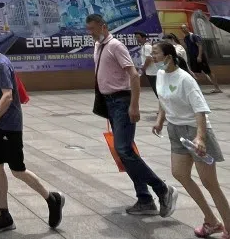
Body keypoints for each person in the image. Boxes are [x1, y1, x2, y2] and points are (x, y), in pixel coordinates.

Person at [86, 14, 177, 217]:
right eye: (88, 29)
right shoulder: (98, 46)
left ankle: (162, 189)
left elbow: (134, 75)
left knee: (124, 150)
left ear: (104, 26)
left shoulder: (116, 46)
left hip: (122, 102)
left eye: (93, 29)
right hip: (109, 102)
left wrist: (134, 105)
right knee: (125, 151)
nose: (90, 33)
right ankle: (145, 199)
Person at [0, 30, 64, 234]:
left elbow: (7, 96)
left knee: (17, 170)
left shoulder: (1, 63)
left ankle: (51, 198)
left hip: (8, 126)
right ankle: (5, 215)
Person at [151, 42, 230, 238]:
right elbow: (163, 98)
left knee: (209, 182)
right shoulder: (161, 75)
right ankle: (211, 221)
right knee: (179, 173)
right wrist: (160, 120)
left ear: (168, 56)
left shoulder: (185, 79)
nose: (152, 57)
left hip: (195, 130)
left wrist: (200, 138)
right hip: (175, 130)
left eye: (155, 53)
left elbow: (200, 109)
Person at [182, 23, 222, 94]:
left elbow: (200, 46)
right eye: (182, 28)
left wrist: (199, 56)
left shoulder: (194, 36)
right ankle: (197, 89)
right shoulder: (185, 38)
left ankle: (217, 88)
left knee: (208, 72)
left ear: (188, 28)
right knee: (195, 73)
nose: (184, 29)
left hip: (199, 57)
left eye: (185, 28)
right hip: (193, 58)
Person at [135, 31, 160, 96]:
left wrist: (144, 68)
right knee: (155, 90)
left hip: (153, 72)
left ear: (144, 38)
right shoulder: (144, 46)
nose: (137, 39)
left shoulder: (147, 46)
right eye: (136, 37)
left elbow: (149, 58)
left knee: (157, 90)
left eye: (138, 37)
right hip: (149, 71)